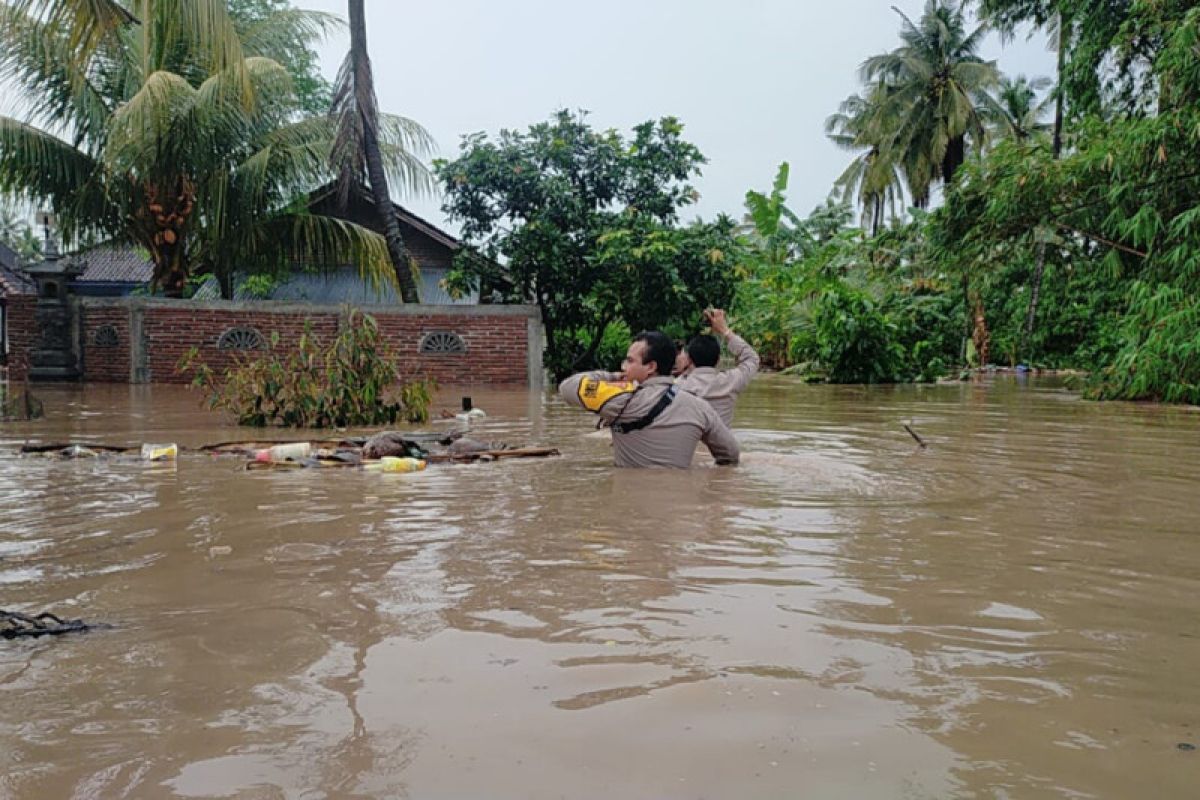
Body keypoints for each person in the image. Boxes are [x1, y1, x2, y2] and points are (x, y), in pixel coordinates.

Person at [559, 330, 740, 468]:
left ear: (651, 367)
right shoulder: (701, 407)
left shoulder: (619, 400)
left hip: (629, 508)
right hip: (682, 510)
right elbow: (730, 455)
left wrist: (614, 376)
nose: (624, 366)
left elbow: (567, 387)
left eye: (629, 361)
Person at [673, 308, 759, 427]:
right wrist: (724, 330)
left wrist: (683, 369)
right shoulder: (730, 382)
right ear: (718, 360)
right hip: (719, 444)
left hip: (690, 443)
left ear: (689, 359)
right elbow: (752, 358)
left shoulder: (677, 387)